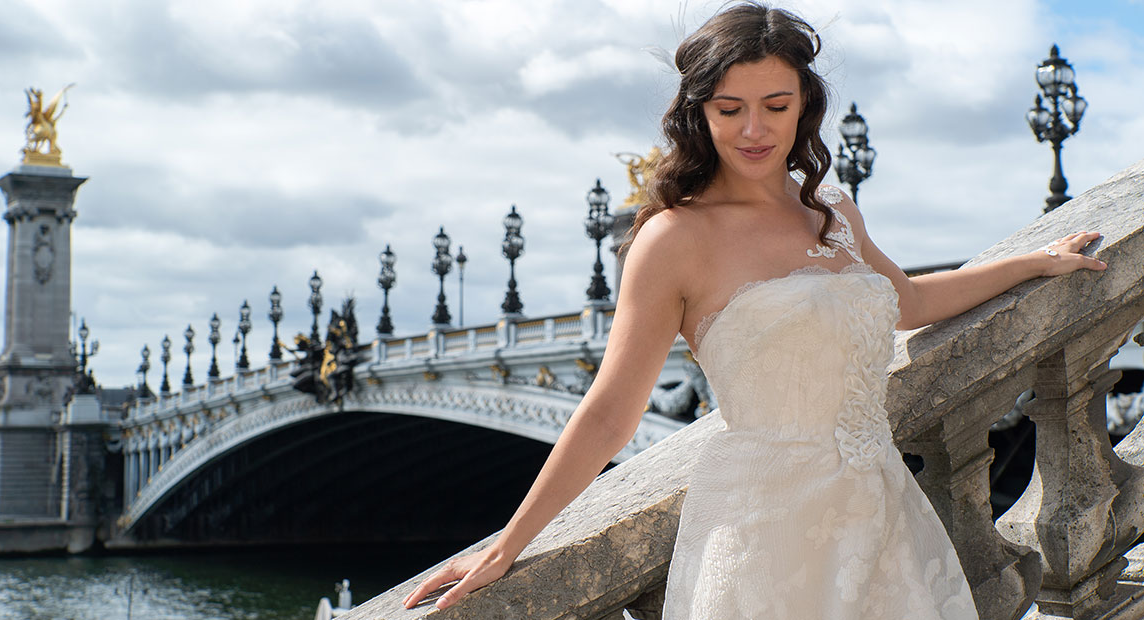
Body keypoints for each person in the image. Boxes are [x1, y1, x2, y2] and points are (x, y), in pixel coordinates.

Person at [404, 3, 1107, 618]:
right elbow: (611, 413)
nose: (753, 130)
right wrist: (508, 544)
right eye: (728, 108)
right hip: (765, 530)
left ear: (804, 105)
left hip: (882, 510)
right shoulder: (672, 239)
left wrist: (1033, 263)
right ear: (698, 112)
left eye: (775, 105)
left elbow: (912, 301)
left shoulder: (831, 210)